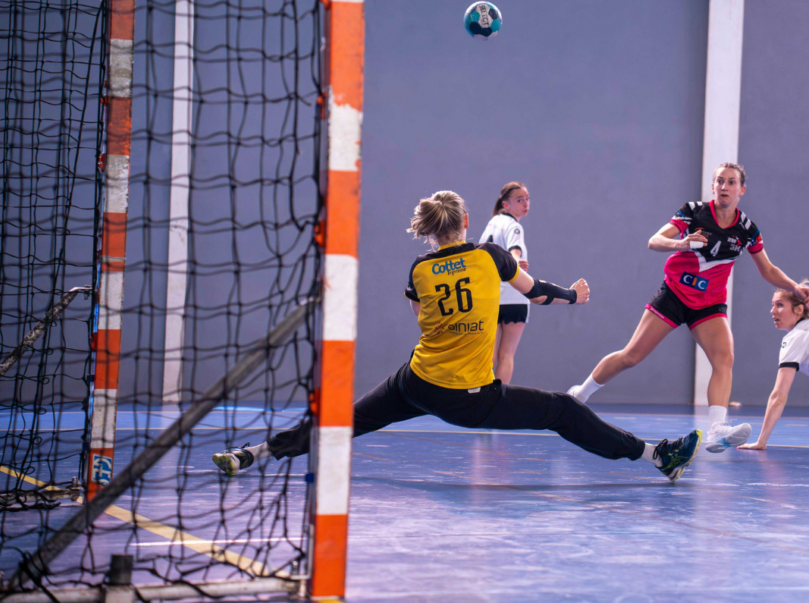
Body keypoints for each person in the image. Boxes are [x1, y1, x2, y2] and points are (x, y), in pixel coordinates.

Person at [213, 190, 701, 483]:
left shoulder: (420, 269)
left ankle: (252, 454)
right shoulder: (491, 256)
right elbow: (537, 293)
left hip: (415, 381)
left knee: (343, 421)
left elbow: (420, 315)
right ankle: (657, 456)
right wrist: (573, 295)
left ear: (430, 229)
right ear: (466, 223)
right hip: (469, 398)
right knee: (563, 410)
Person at [568, 163, 809, 453]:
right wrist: (682, 244)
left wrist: (795, 288)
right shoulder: (693, 212)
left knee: (724, 358)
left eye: (731, 182)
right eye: (720, 181)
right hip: (674, 294)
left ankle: (717, 429)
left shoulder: (747, 229)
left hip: (709, 304)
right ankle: (578, 396)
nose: (724, 187)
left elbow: (767, 269)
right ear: (713, 186)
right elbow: (654, 241)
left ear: (741, 190)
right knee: (631, 356)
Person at [737, 281, 809, 451]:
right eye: (773, 305)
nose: (773, 311)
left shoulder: (797, 336)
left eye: (780, 305)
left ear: (799, 309)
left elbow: (778, 396)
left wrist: (761, 441)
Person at [480, 182, 532, 383]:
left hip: (491, 297)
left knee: (488, 356)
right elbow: (514, 251)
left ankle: (480, 396)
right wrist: (516, 261)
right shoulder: (514, 226)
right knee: (506, 355)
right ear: (505, 204)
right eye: (519, 200)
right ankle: (499, 399)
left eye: (527, 198)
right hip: (514, 297)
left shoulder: (492, 224)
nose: (526, 204)